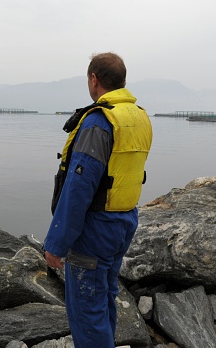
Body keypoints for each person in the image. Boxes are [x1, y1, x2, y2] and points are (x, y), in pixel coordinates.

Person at [44, 52, 153, 347]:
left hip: (94, 229)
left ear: (94, 79)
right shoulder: (138, 117)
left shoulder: (99, 122)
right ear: (122, 81)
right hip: (124, 222)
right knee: (104, 298)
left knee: (87, 310)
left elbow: (78, 189)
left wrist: (56, 243)